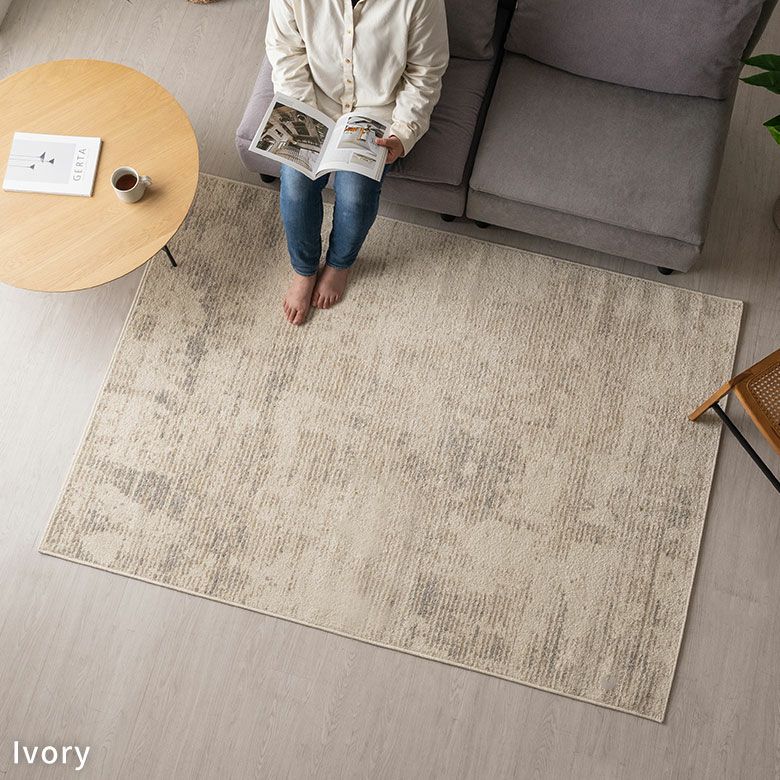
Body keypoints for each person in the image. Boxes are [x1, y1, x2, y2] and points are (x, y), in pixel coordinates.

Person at [266, 0, 449, 325]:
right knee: (294, 182)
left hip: (377, 111)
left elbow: (425, 73)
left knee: (356, 194)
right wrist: (308, 119)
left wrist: (403, 133)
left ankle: (340, 264)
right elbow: (285, 52)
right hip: (312, 100)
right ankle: (304, 269)